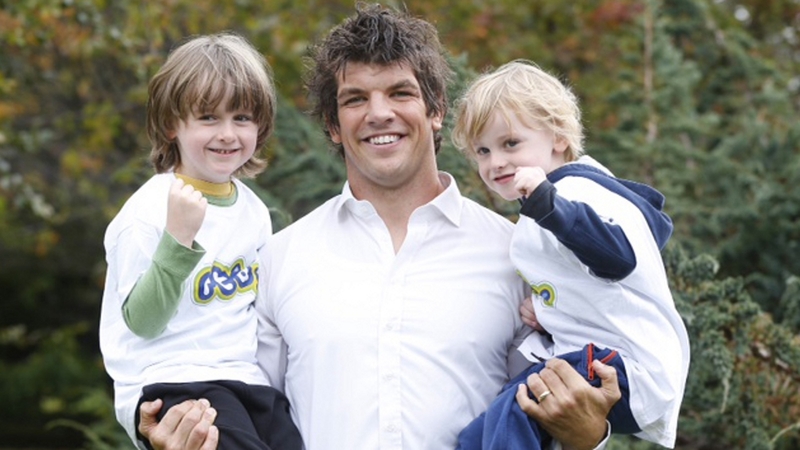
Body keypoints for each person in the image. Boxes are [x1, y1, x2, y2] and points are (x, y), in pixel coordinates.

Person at [137, 5, 622, 450]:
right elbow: (239, 397)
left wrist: (589, 436)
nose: (379, 113)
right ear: (332, 123)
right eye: (355, 99)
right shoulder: (279, 258)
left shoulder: (517, 253)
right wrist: (176, 431)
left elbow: (548, 409)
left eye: (400, 92)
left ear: (435, 111)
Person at [450, 60, 691, 449]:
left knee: (523, 403)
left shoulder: (576, 192)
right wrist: (549, 315)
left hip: (626, 368)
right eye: (482, 151)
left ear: (558, 138)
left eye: (510, 143)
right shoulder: (553, 201)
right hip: (601, 362)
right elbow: (600, 288)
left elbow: (617, 258)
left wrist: (549, 205)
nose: (495, 162)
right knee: (488, 427)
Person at [98, 33, 302, 450]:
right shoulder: (147, 211)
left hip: (245, 379)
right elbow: (143, 321)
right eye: (209, 118)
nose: (228, 134)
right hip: (177, 381)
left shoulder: (253, 210)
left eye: (242, 118)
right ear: (172, 124)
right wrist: (178, 239)